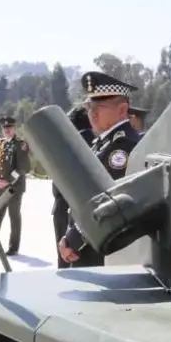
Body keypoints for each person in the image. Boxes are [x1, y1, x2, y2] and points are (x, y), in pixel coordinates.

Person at [58, 71, 143, 268]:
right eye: (89, 107)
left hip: (99, 249)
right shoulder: (103, 142)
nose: (92, 114)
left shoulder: (123, 146)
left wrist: (73, 238)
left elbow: (106, 202)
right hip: (89, 243)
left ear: (122, 110)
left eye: (99, 108)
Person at [52, 105, 95, 267]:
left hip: (65, 208)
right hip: (79, 212)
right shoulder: (95, 141)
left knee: (65, 258)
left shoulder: (71, 143)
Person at [0, 115, 31, 255]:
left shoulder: (20, 144)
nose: (7, 130)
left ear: (14, 128)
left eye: (9, 127)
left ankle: (13, 247)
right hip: (1, 186)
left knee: (14, 216)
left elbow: (23, 168)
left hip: (15, 187)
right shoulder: (0, 143)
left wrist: (9, 180)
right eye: (5, 128)